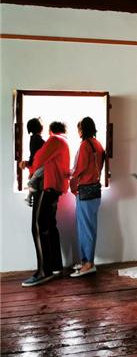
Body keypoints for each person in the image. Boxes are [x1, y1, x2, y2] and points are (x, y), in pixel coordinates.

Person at [21, 121, 70, 287]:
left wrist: (29, 167)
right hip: (55, 189)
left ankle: (44, 271)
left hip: (46, 187)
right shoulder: (64, 142)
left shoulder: (54, 140)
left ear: (50, 130)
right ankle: (55, 266)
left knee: (37, 227)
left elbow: (38, 159)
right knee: (50, 226)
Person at [69, 117, 105, 278]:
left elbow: (79, 169)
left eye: (79, 129)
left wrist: (71, 183)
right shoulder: (98, 144)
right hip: (95, 191)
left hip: (85, 192)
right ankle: (86, 261)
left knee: (85, 229)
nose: (78, 132)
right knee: (89, 228)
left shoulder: (85, 145)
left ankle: (89, 264)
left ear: (82, 129)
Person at [19, 118, 46, 207]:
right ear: (39, 128)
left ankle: (29, 197)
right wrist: (29, 163)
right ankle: (29, 193)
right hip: (38, 168)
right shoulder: (38, 140)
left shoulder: (33, 139)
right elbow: (34, 154)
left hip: (35, 167)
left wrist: (29, 163)